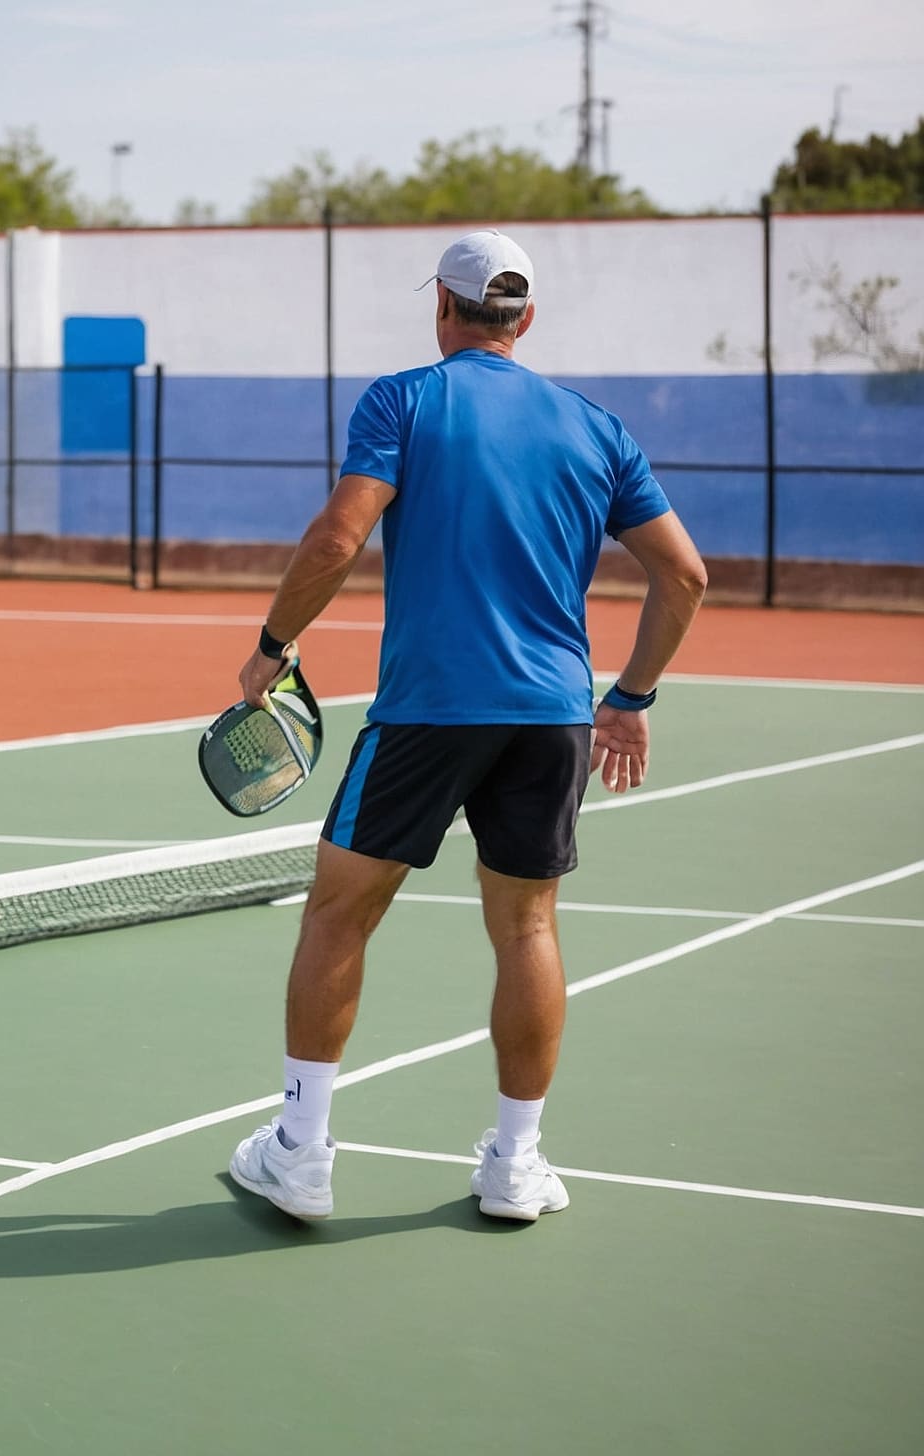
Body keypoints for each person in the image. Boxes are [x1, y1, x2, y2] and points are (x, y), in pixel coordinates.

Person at [227, 229, 707, 1223]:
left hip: (427, 711)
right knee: (526, 928)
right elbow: (685, 574)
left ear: (440, 309)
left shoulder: (402, 397)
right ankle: (515, 1167)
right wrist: (632, 696)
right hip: (551, 718)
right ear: (523, 319)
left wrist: (272, 642)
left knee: (336, 914)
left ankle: (301, 1154)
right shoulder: (595, 426)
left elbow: (336, 535)